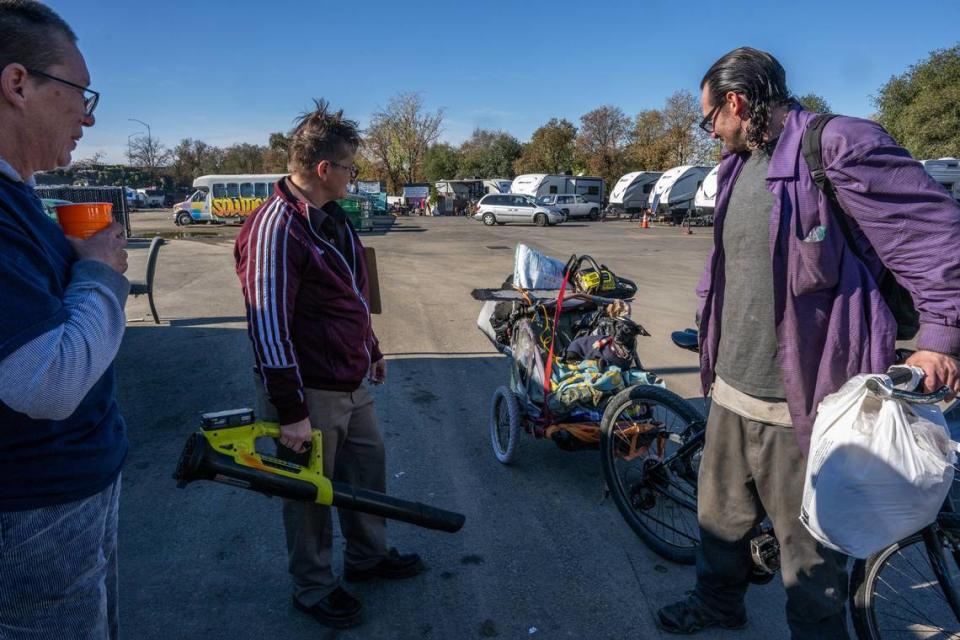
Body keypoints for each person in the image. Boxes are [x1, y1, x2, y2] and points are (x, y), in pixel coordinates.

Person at [656, 47, 960, 638]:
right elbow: (725, 262)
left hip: (806, 405)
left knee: (811, 567)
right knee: (719, 521)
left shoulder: (838, 146)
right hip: (729, 394)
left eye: (709, 118)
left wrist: (941, 338)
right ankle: (718, 604)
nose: (710, 130)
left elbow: (936, 238)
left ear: (737, 103)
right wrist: (710, 319)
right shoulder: (737, 166)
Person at [234, 99, 423, 630]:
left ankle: (367, 558)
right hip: (308, 392)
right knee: (309, 492)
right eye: (350, 167)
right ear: (324, 169)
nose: (354, 176)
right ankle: (314, 587)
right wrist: (291, 410)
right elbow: (267, 325)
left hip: (349, 380)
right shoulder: (276, 226)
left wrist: (373, 349)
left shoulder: (333, 220)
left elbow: (352, 296)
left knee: (365, 471)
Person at [0, 2, 130, 638]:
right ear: (17, 83)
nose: (88, 114)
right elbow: (45, 382)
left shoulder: (18, 197)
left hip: (64, 492)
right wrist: (103, 271)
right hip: (32, 506)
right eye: (80, 92)